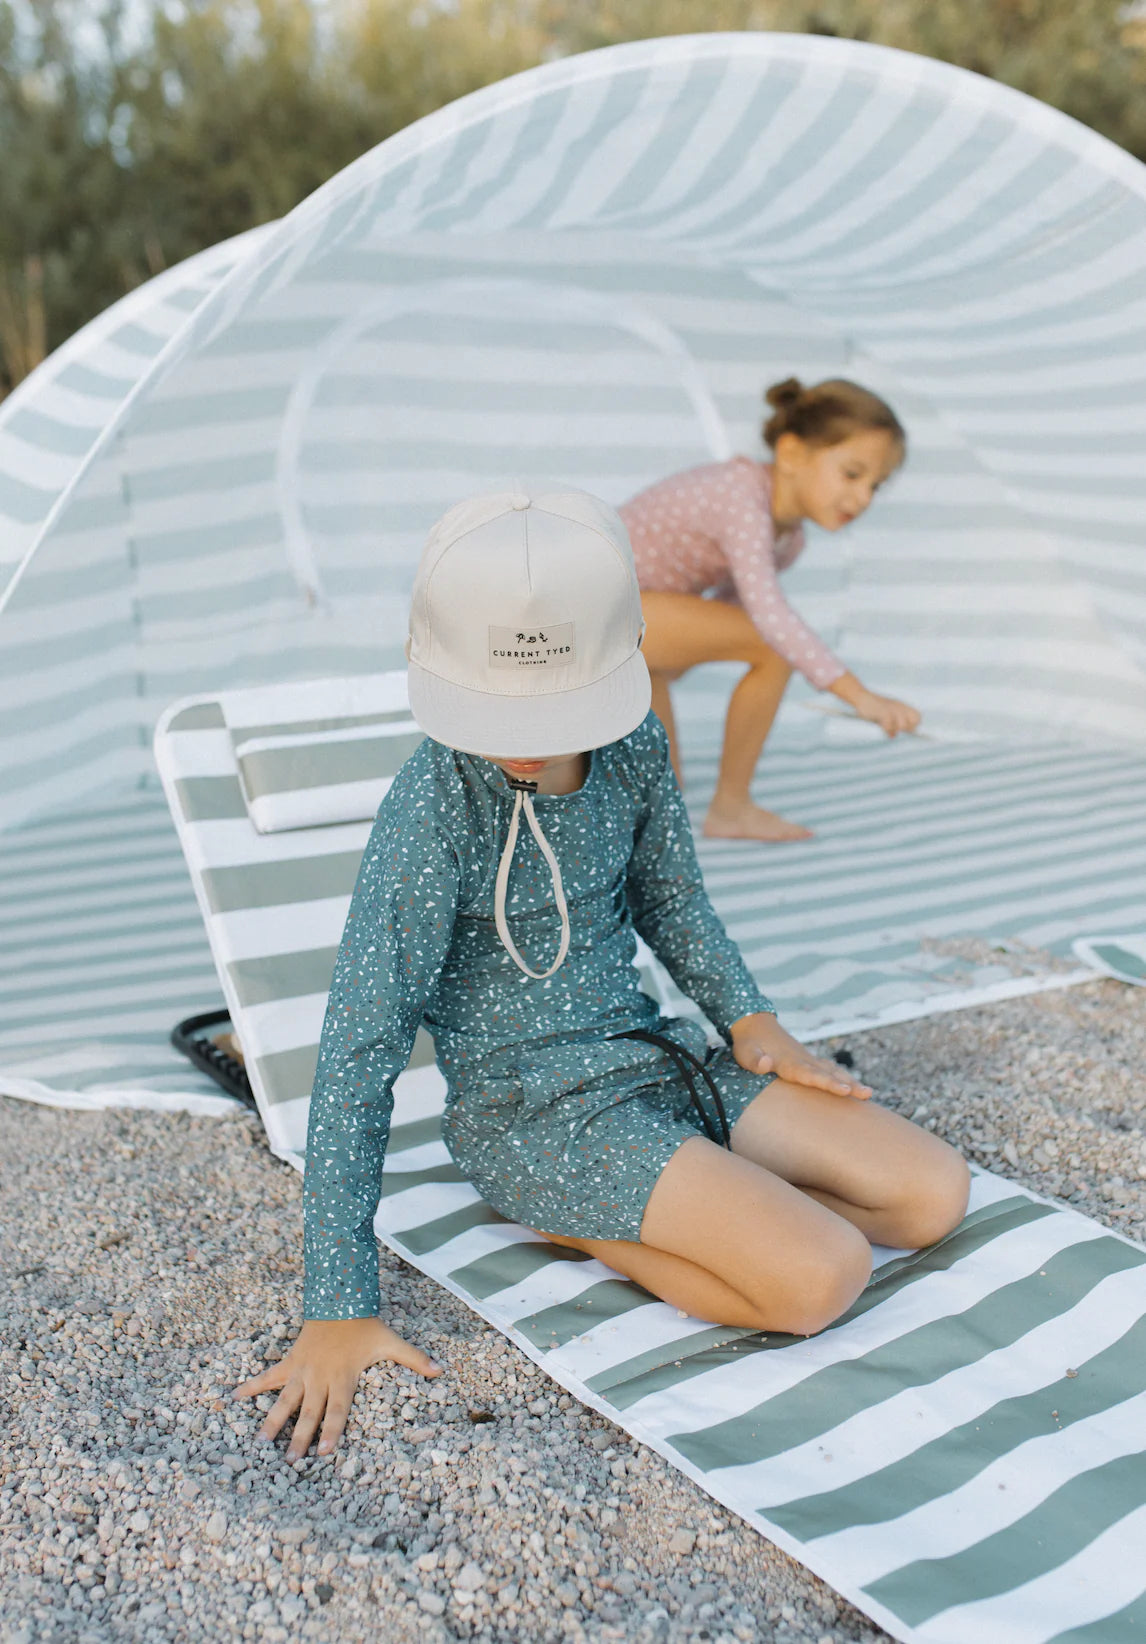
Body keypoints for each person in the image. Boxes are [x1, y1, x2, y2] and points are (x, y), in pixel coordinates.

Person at [234, 485, 968, 1460]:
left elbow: (672, 899)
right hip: (534, 1115)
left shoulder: (632, 742)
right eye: (500, 709)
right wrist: (338, 1303)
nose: (529, 738)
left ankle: (702, 1195)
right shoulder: (433, 807)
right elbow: (358, 1047)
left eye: (558, 709)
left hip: (653, 1055)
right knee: (822, 1277)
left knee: (930, 1196)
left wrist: (751, 1022)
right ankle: (580, 1218)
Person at [621, 377, 922, 844]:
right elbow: (767, 620)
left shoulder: (788, 540)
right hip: (594, 608)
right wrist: (858, 695)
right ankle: (732, 806)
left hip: (634, 623)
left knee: (663, 794)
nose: (863, 498)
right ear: (792, 454)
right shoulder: (740, 495)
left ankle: (632, 813)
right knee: (774, 646)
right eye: (852, 474)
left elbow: (726, 616)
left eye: (875, 486)